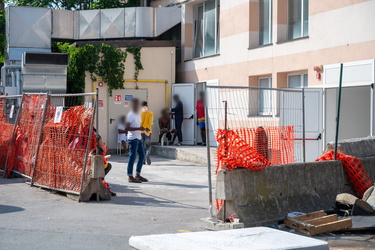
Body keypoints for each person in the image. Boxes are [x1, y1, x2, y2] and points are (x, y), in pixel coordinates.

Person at [126, 98, 148, 183]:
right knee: (132, 157)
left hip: (138, 138)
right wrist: (139, 128)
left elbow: (137, 126)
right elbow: (127, 128)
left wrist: (144, 129)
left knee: (142, 156)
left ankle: (137, 175)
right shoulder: (130, 115)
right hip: (133, 139)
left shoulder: (138, 115)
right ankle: (130, 176)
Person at [140, 101, 153, 165]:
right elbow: (151, 122)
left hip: (141, 131)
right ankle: (147, 154)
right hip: (148, 131)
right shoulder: (150, 113)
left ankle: (143, 160)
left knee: (142, 146)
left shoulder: (139, 113)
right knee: (148, 145)